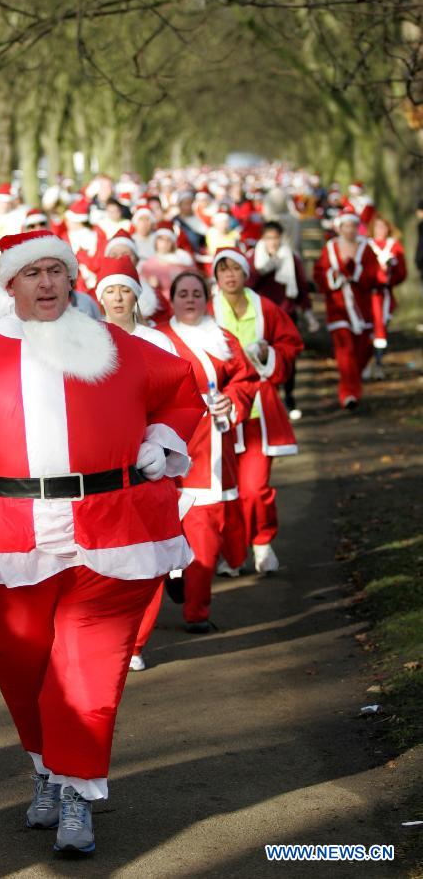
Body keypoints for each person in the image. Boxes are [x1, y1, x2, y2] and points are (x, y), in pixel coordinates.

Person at [0, 229, 204, 856]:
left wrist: (162, 439)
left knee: (88, 670)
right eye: (34, 274)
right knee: (21, 665)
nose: (48, 283)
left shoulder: (119, 348)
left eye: (58, 271)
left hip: (112, 532)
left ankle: (78, 793)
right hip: (0, 537)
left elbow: (183, 391)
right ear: (10, 284)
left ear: (72, 278)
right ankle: (47, 770)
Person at [158, 270, 259, 630]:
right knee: (162, 525)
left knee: (205, 528)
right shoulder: (158, 338)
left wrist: (231, 400)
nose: (189, 299)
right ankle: (172, 575)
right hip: (165, 445)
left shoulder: (223, 337)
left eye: (196, 293)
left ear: (206, 298)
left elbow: (246, 379)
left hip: (213, 447)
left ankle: (197, 611)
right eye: (182, 293)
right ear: (171, 298)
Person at [95, 256, 176, 670]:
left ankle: (136, 642)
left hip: (149, 457)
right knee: (106, 554)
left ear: (136, 295)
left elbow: (177, 398)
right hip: (102, 463)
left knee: (150, 551)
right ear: (98, 297)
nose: (117, 297)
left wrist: (160, 446)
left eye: (124, 289)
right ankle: (108, 636)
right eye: (109, 290)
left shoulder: (157, 342)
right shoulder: (86, 340)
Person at [212, 248, 303, 574]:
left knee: (255, 489)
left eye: (235, 268)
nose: (230, 275)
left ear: (246, 272)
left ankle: (262, 542)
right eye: (223, 270)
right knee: (225, 492)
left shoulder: (266, 307)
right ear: (216, 276)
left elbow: (291, 344)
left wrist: (270, 353)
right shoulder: (208, 310)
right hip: (222, 413)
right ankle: (232, 555)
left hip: (259, 413)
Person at [247, 220, 319, 419]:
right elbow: (248, 283)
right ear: (263, 239)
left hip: (287, 314)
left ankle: (289, 396)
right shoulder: (254, 258)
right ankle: (272, 399)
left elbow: (302, 285)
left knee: (287, 357)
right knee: (264, 357)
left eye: (276, 238)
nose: (272, 242)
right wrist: (265, 269)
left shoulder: (290, 257)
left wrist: (308, 313)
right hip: (262, 316)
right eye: (268, 238)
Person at [313, 209, 379, 409]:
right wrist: (335, 275)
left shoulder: (365, 248)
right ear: (339, 228)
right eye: (346, 226)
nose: (350, 230)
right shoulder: (330, 248)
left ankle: (352, 382)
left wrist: (355, 272)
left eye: (353, 226)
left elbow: (373, 274)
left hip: (362, 308)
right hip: (338, 307)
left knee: (362, 349)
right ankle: (348, 393)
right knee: (345, 350)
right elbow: (319, 274)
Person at [366, 214, 407, 378]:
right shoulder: (365, 246)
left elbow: (402, 273)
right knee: (367, 331)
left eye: (383, 227)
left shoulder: (394, 246)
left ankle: (378, 363)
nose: (380, 230)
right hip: (366, 296)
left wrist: (390, 274)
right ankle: (367, 363)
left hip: (384, 296)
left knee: (381, 329)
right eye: (377, 227)